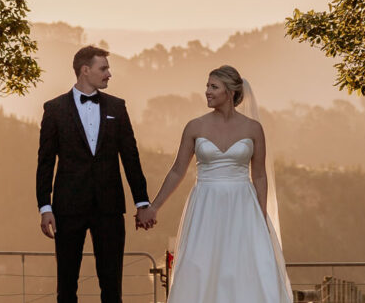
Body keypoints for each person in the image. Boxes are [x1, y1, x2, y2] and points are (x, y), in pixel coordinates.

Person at [137, 65, 292, 302]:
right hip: (205, 204)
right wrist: (154, 206)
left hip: (243, 206)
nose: (207, 92)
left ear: (229, 92)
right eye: (207, 86)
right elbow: (178, 170)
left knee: (241, 269)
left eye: (213, 87)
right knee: (200, 266)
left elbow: (259, 175)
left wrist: (260, 216)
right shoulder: (195, 126)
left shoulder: (253, 128)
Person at [36, 45, 151, 303]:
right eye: (104, 68)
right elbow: (45, 162)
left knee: (112, 287)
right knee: (66, 286)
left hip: (109, 208)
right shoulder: (54, 109)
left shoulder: (117, 107)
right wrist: (45, 207)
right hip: (67, 208)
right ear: (85, 70)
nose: (109, 74)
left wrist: (142, 202)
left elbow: (131, 158)